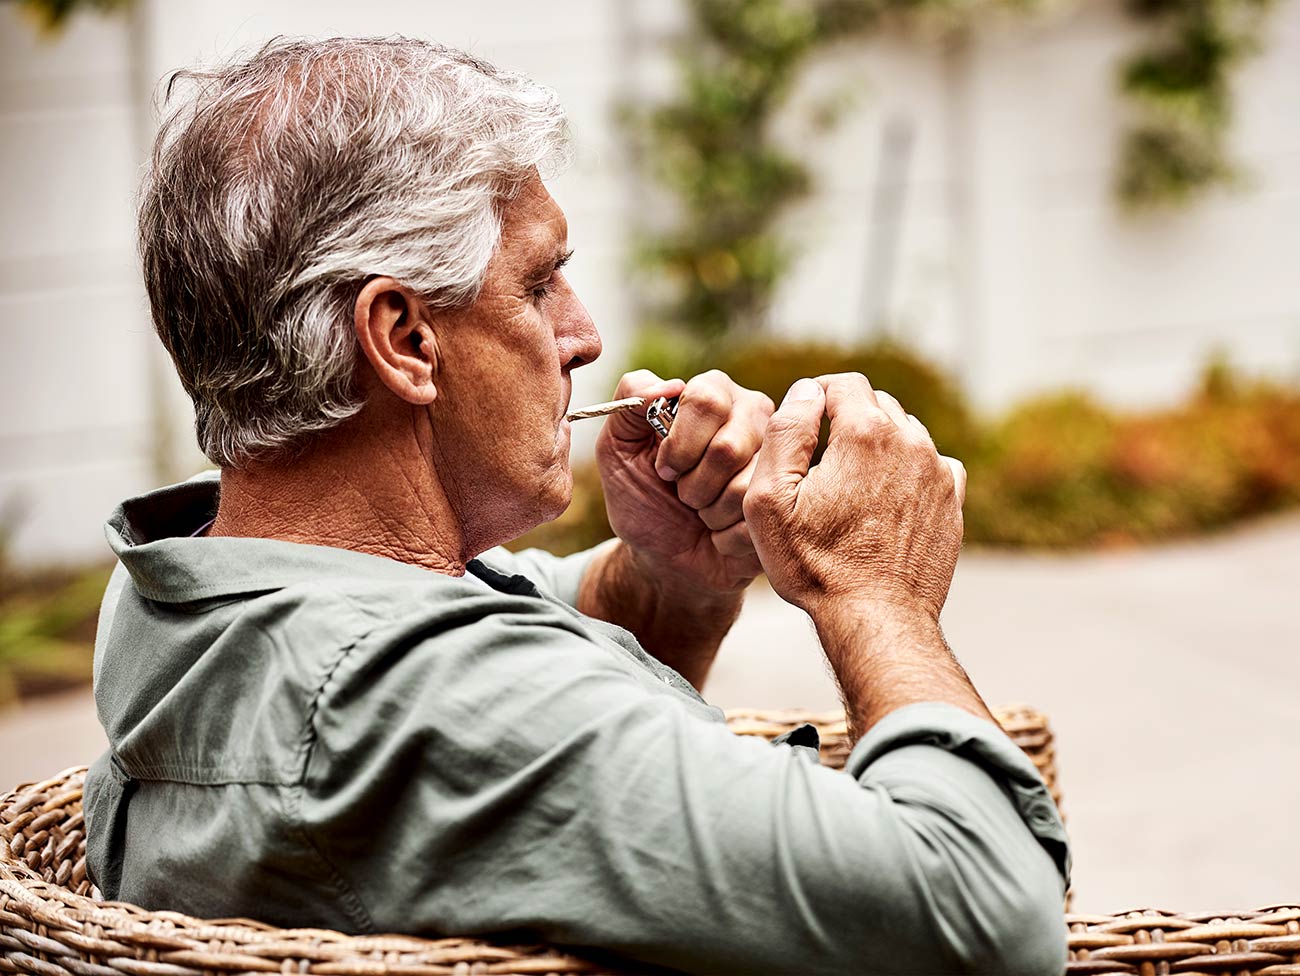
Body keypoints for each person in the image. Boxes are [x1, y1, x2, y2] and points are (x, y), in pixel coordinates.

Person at [84, 37, 1070, 976]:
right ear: (402, 338)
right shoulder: (431, 700)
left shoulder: (196, 590)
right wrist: (872, 591)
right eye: (539, 282)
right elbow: (987, 920)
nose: (585, 334)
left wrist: (670, 578)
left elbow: (514, 641)